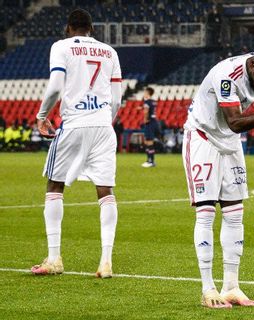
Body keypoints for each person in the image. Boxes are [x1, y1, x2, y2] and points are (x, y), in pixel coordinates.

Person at [183, 38, 254, 309]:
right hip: (203, 136)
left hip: (229, 143)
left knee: (234, 213)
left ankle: (231, 286)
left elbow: (232, 128)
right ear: (253, 64)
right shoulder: (227, 76)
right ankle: (208, 289)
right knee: (206, 212)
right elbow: (234, 122)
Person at [31, 9, 122, 279]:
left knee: (54, 185)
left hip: (74, 124)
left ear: (69, 27)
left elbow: (57, 87)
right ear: (91, 28)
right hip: (103, 126)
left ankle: (54, 257)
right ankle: (106, 262)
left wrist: (42, 115)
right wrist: (107, 120)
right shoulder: (110, 52)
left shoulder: (61, 47)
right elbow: (117, 99)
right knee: (106, 191)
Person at [141, 87, 159, 167]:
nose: (144, 93)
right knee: (148, 141)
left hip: (149, 123)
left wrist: (145, 120)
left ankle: (150, 161)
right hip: (154, 122)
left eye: (145, 92)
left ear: (148, 93)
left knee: (149, 141)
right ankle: (150, 160)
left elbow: (146, 111)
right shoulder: (153, 102)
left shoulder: (147, 102)